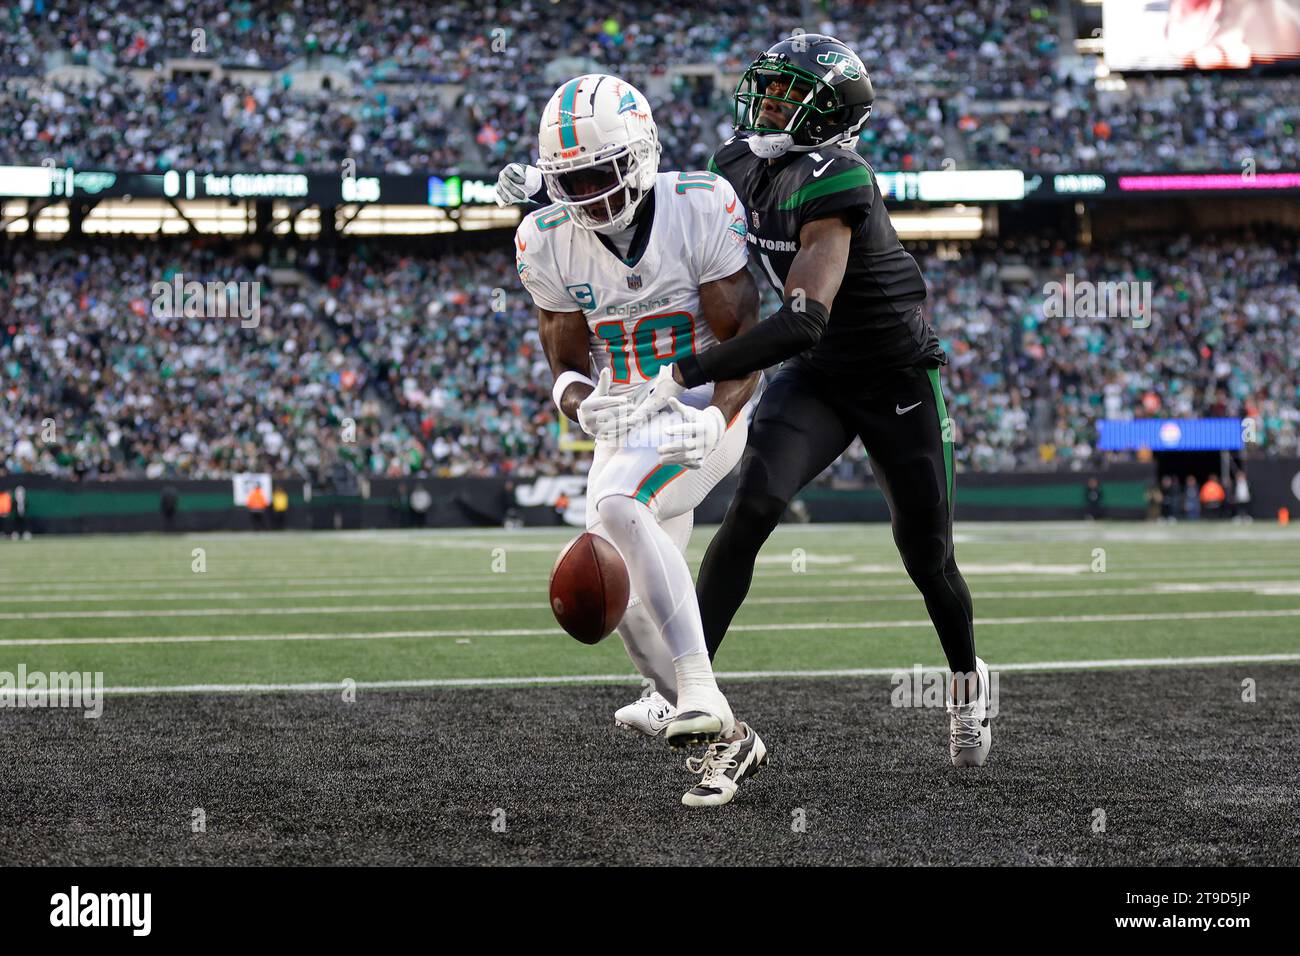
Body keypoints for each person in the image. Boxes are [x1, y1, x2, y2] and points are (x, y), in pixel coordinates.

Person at [510, 75, 767, 806]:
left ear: (642, 154)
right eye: (572, 180)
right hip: (625, 417)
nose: (588, 195)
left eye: (601, 172)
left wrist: (716, 417)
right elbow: (563, 359)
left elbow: (746, 340)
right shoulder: (545, 238)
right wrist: (576, 400)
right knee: (616, 595)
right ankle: (726, 740)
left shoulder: (700, 205)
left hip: (697, 403)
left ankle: (696, 687)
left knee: (621, 505)